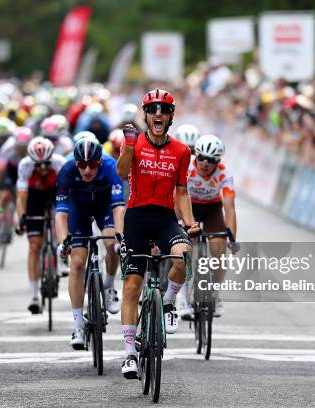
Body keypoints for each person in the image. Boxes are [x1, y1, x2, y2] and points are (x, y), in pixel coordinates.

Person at [116, 89, 200, 379]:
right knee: (131, 287)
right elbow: (120, 172)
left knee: (185, 255)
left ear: (171, 116)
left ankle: (168, 301)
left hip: (165, 220)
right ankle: (129, 354)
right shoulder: (134, 143)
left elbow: (182, 191)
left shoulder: (182, 151)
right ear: (146, 115)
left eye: (164, 110)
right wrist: (127, 149)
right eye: (153, 110)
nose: (158, 115)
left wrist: (189, 223)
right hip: (137, 219)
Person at [55, 137, 125, 349]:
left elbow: (119, 207)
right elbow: (60, 215)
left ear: (100, 162)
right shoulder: (67, 170)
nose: (87, 170)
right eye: (82, 165)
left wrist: (120, 237)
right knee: (77, 263)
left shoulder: (111, 166)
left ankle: (109, 286)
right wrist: (63, 242)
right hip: (79, 210)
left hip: (104, 206)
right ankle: (78, 324)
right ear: (76, 163)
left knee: (112, 243)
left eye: (92, 165)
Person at [179, 134, 239, 319]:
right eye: (201, 158)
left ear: (218, 161)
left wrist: (232, 237)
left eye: (211, 160)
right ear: (195, 155)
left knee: (219, 250)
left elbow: (229, 208)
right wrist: (182, 222)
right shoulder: (186, 165)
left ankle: (215, 295)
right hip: (189, 206)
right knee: (188, 248)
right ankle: (183, 300)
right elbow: (177, 195)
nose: (205, 163)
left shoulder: (224, 172)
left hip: (212, 209)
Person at [16, 137, 67, 313]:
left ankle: (59, 257)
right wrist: (22, 217)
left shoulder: (59, 163)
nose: (43, 168)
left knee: (60, 222)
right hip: (34, 196)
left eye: (46, 163)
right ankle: (34, 295)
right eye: (39, 165)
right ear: (32, 162)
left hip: (55, 193)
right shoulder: (25, 165)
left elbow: (67, 194)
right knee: (34, 245)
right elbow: (22, 196)